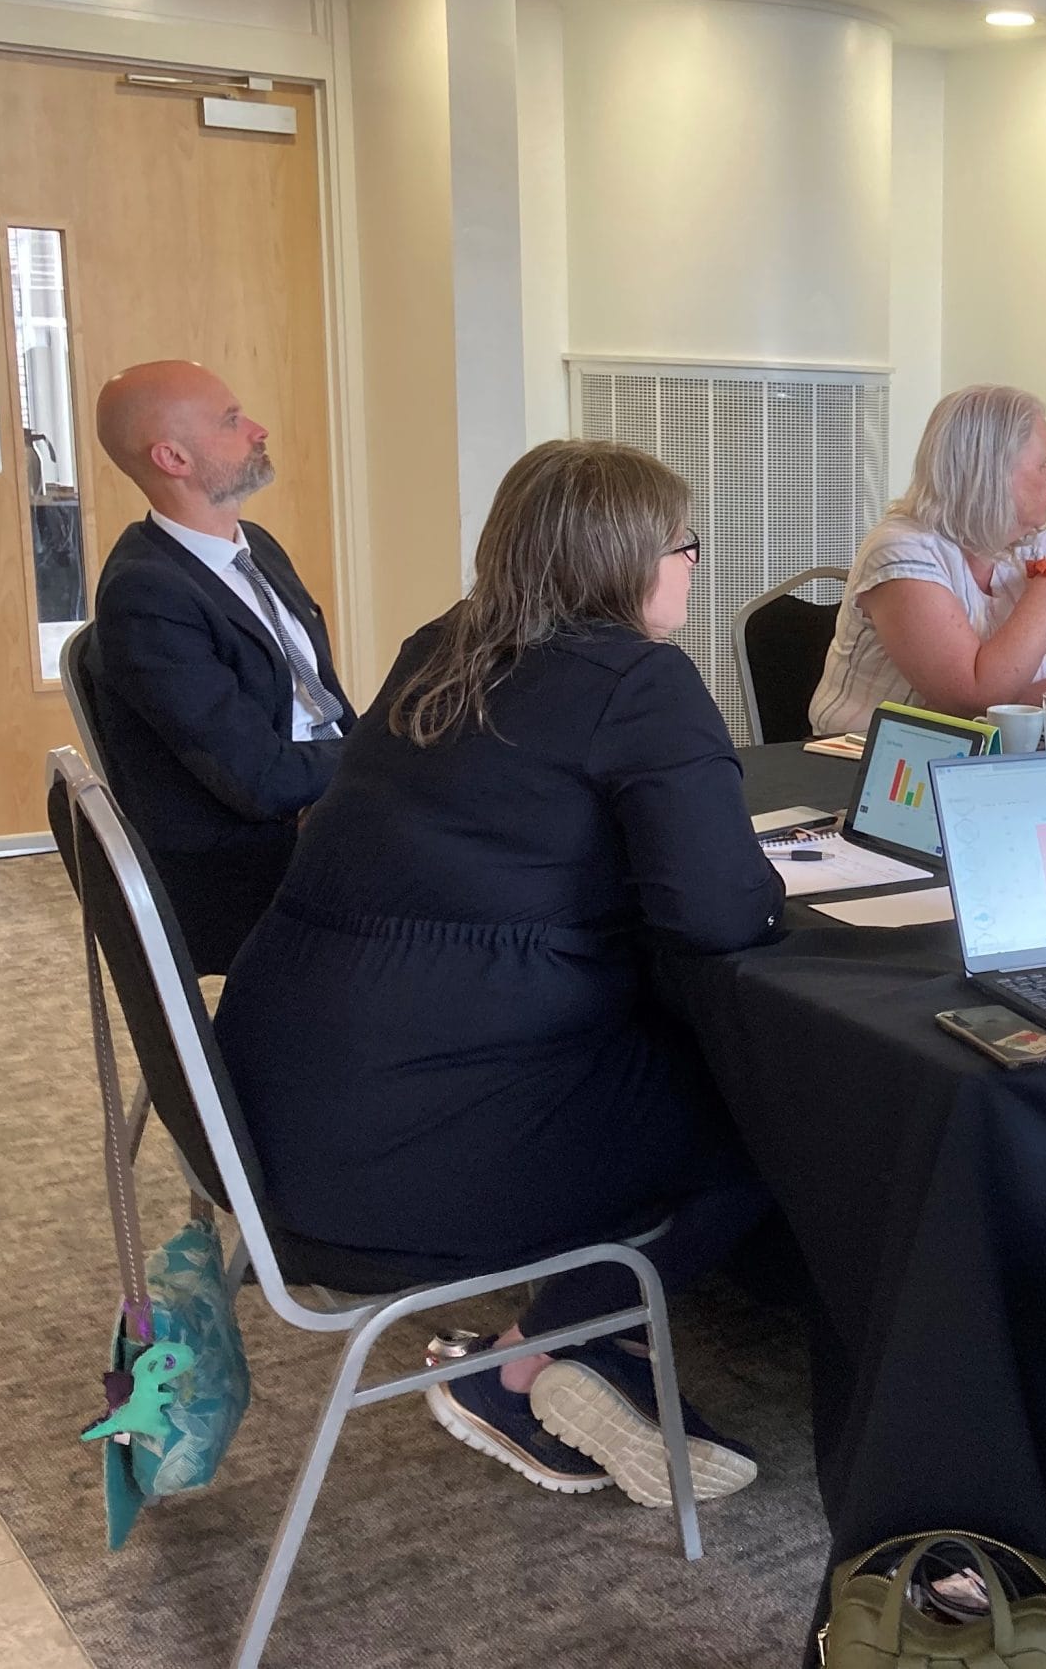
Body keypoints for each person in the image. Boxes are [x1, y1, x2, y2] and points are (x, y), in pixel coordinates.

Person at [214, 440, 780, 1507]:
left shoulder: (447, 643)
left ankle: (586, 1345)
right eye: (685, 545)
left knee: (668, 1061)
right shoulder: (639, 683)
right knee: (776, 1102)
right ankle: (528, 1362)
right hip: (408, 1153)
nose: (694, 564)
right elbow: (717, 916)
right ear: (628, 561)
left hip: (276, 1103)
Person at [87, 360, 351, 974]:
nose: (257, 429)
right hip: (247, 868)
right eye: (232, 421)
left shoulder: (254, 545)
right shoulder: (147, 595)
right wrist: (380, 756)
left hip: (317, 813)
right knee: (474, 894)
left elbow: (324, 708)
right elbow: (260, 780)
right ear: (173, 459)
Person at [807, 384, 1046, 736]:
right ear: (991, 472)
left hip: (989, 754)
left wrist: (999, 706)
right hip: (865, 762)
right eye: (1043, 462)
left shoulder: (1035, 545)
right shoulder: (899, 550)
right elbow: (974, 696)